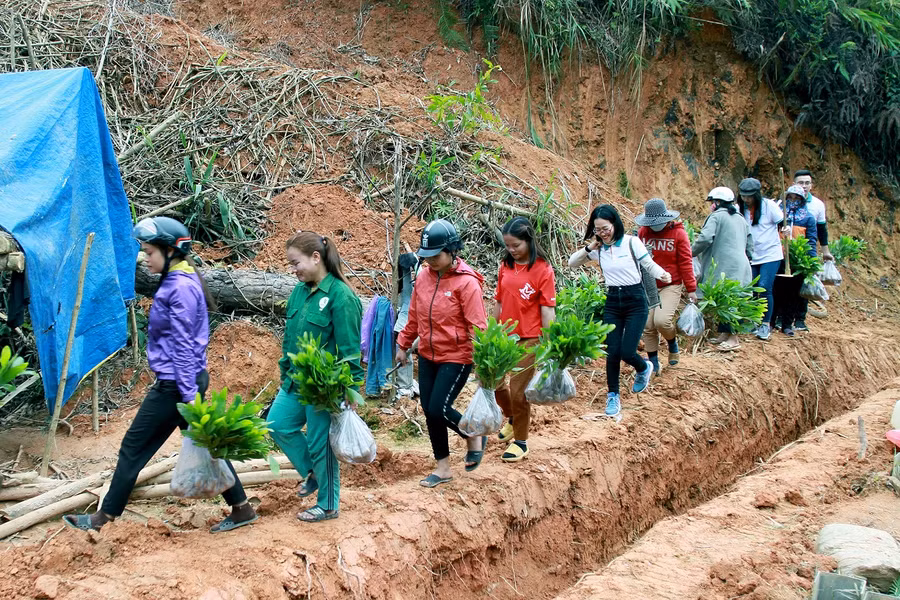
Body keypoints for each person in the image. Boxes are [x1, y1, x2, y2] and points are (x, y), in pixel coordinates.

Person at [63, 217, 256, 533]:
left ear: (170, 251)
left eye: (150, 252)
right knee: (207, 444)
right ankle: (241, 508)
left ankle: (103, 518)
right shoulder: (184, 278)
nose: (146, 258)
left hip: (176, 385)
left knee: (132, 448)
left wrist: (185, 392)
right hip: (188, 380)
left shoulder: (178, 287)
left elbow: (181, 344)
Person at [269, 231, 362, 523]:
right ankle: (312, 473)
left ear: (316, 258)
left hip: (324, 386)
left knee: (320, 442)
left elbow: (350, 349)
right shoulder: (299, 291)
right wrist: (285, 371)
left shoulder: (341, 296)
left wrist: (352, 389)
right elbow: (290, 337)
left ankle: (329, 504)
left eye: (296, 263)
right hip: (295, 380)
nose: (293, 270)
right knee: (278, 423)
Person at [395, 219, 488, 487]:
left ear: (452, 250)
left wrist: (483, 363)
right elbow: (413, 315)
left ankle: (473, 435)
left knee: (438, 407)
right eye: (427, 256)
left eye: (436, 256)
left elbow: (478, 326)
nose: (431, 261)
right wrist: (403, 344)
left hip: (457, 356)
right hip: (427, 354)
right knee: (429, 409)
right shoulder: (423, 276)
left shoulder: (467, 284)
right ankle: (443, 468)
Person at [568, 205, 670, 419]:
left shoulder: (632, 243)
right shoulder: (599, 249)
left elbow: (648, 265)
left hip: (636, 301)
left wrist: (664, 275)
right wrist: (590, 247)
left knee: (627, 351)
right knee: (612, 352)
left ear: (615, 224)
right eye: (598, 230)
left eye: (605, 228)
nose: (603, 233)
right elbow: (572, 263)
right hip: (613, 300)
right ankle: (613, 395)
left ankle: (643, 367)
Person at [493, 217, 556, 462]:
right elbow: (498, 300)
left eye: (516, 245)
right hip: (504, 336)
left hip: (529, 338)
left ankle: (521, 441)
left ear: (528, 240)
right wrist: (491, 331)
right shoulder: (505, 266)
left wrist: (549, 343)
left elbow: (548, 309)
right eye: (507, 245)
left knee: (519, 392)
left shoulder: (542, 269)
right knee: (495, 383)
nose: (511, 250)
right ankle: (511, 418)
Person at [635, 198, 697, 372]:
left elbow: (685, 262)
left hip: (671, 284)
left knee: (662, 321)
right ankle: (653, 362)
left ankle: (672, 343)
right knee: (648, 325)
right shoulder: (643, 233)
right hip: (649, 285)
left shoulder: (679, 234)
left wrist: (691, 288)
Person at [691, 186, 753, 351]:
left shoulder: (716, 217)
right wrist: (747, 256)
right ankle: (725, 334)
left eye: (712, 202)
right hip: (741, 264)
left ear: (717, 202)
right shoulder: (740, 218)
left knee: (730, 300)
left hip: (724, 264)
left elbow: (704, 238)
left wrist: (690, 252)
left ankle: (734, 338)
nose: (711, 205)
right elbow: (750, 243)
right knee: (731, 298)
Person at [738, 178, 784, 341]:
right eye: (743, 196)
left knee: (764, 287)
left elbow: (781, 224)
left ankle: (765, 323)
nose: (746, 200)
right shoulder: (740, 209)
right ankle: (752, 320)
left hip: (770, 254)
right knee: (750, 288)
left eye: (749, 196)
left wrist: (785, 233)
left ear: (756, 195)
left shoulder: (769, 206)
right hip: (751, 254)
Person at [772, 185, 818, 337]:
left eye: (796, 198)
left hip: (797, 262)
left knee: (792, 294)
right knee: (775, 291)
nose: (793, 201)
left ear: (802, 200)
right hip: (778, 258)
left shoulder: (808, 218)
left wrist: (810, 262)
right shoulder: (779, 215)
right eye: (790, 197)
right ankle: (772, 322)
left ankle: (787, 324)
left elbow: (811, 241)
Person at [792, 169, 833, 331]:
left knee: (805, 286)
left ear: (811, 185)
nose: (804, 186)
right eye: (800, 182)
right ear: (794, 183)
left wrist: (825, 251)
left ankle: (800, 320)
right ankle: (781, 318)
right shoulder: (783, 202)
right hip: (786, 249)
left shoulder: (817, 205)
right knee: (784, 284)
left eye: (807, 183)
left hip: (807, 250)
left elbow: (822, 230)